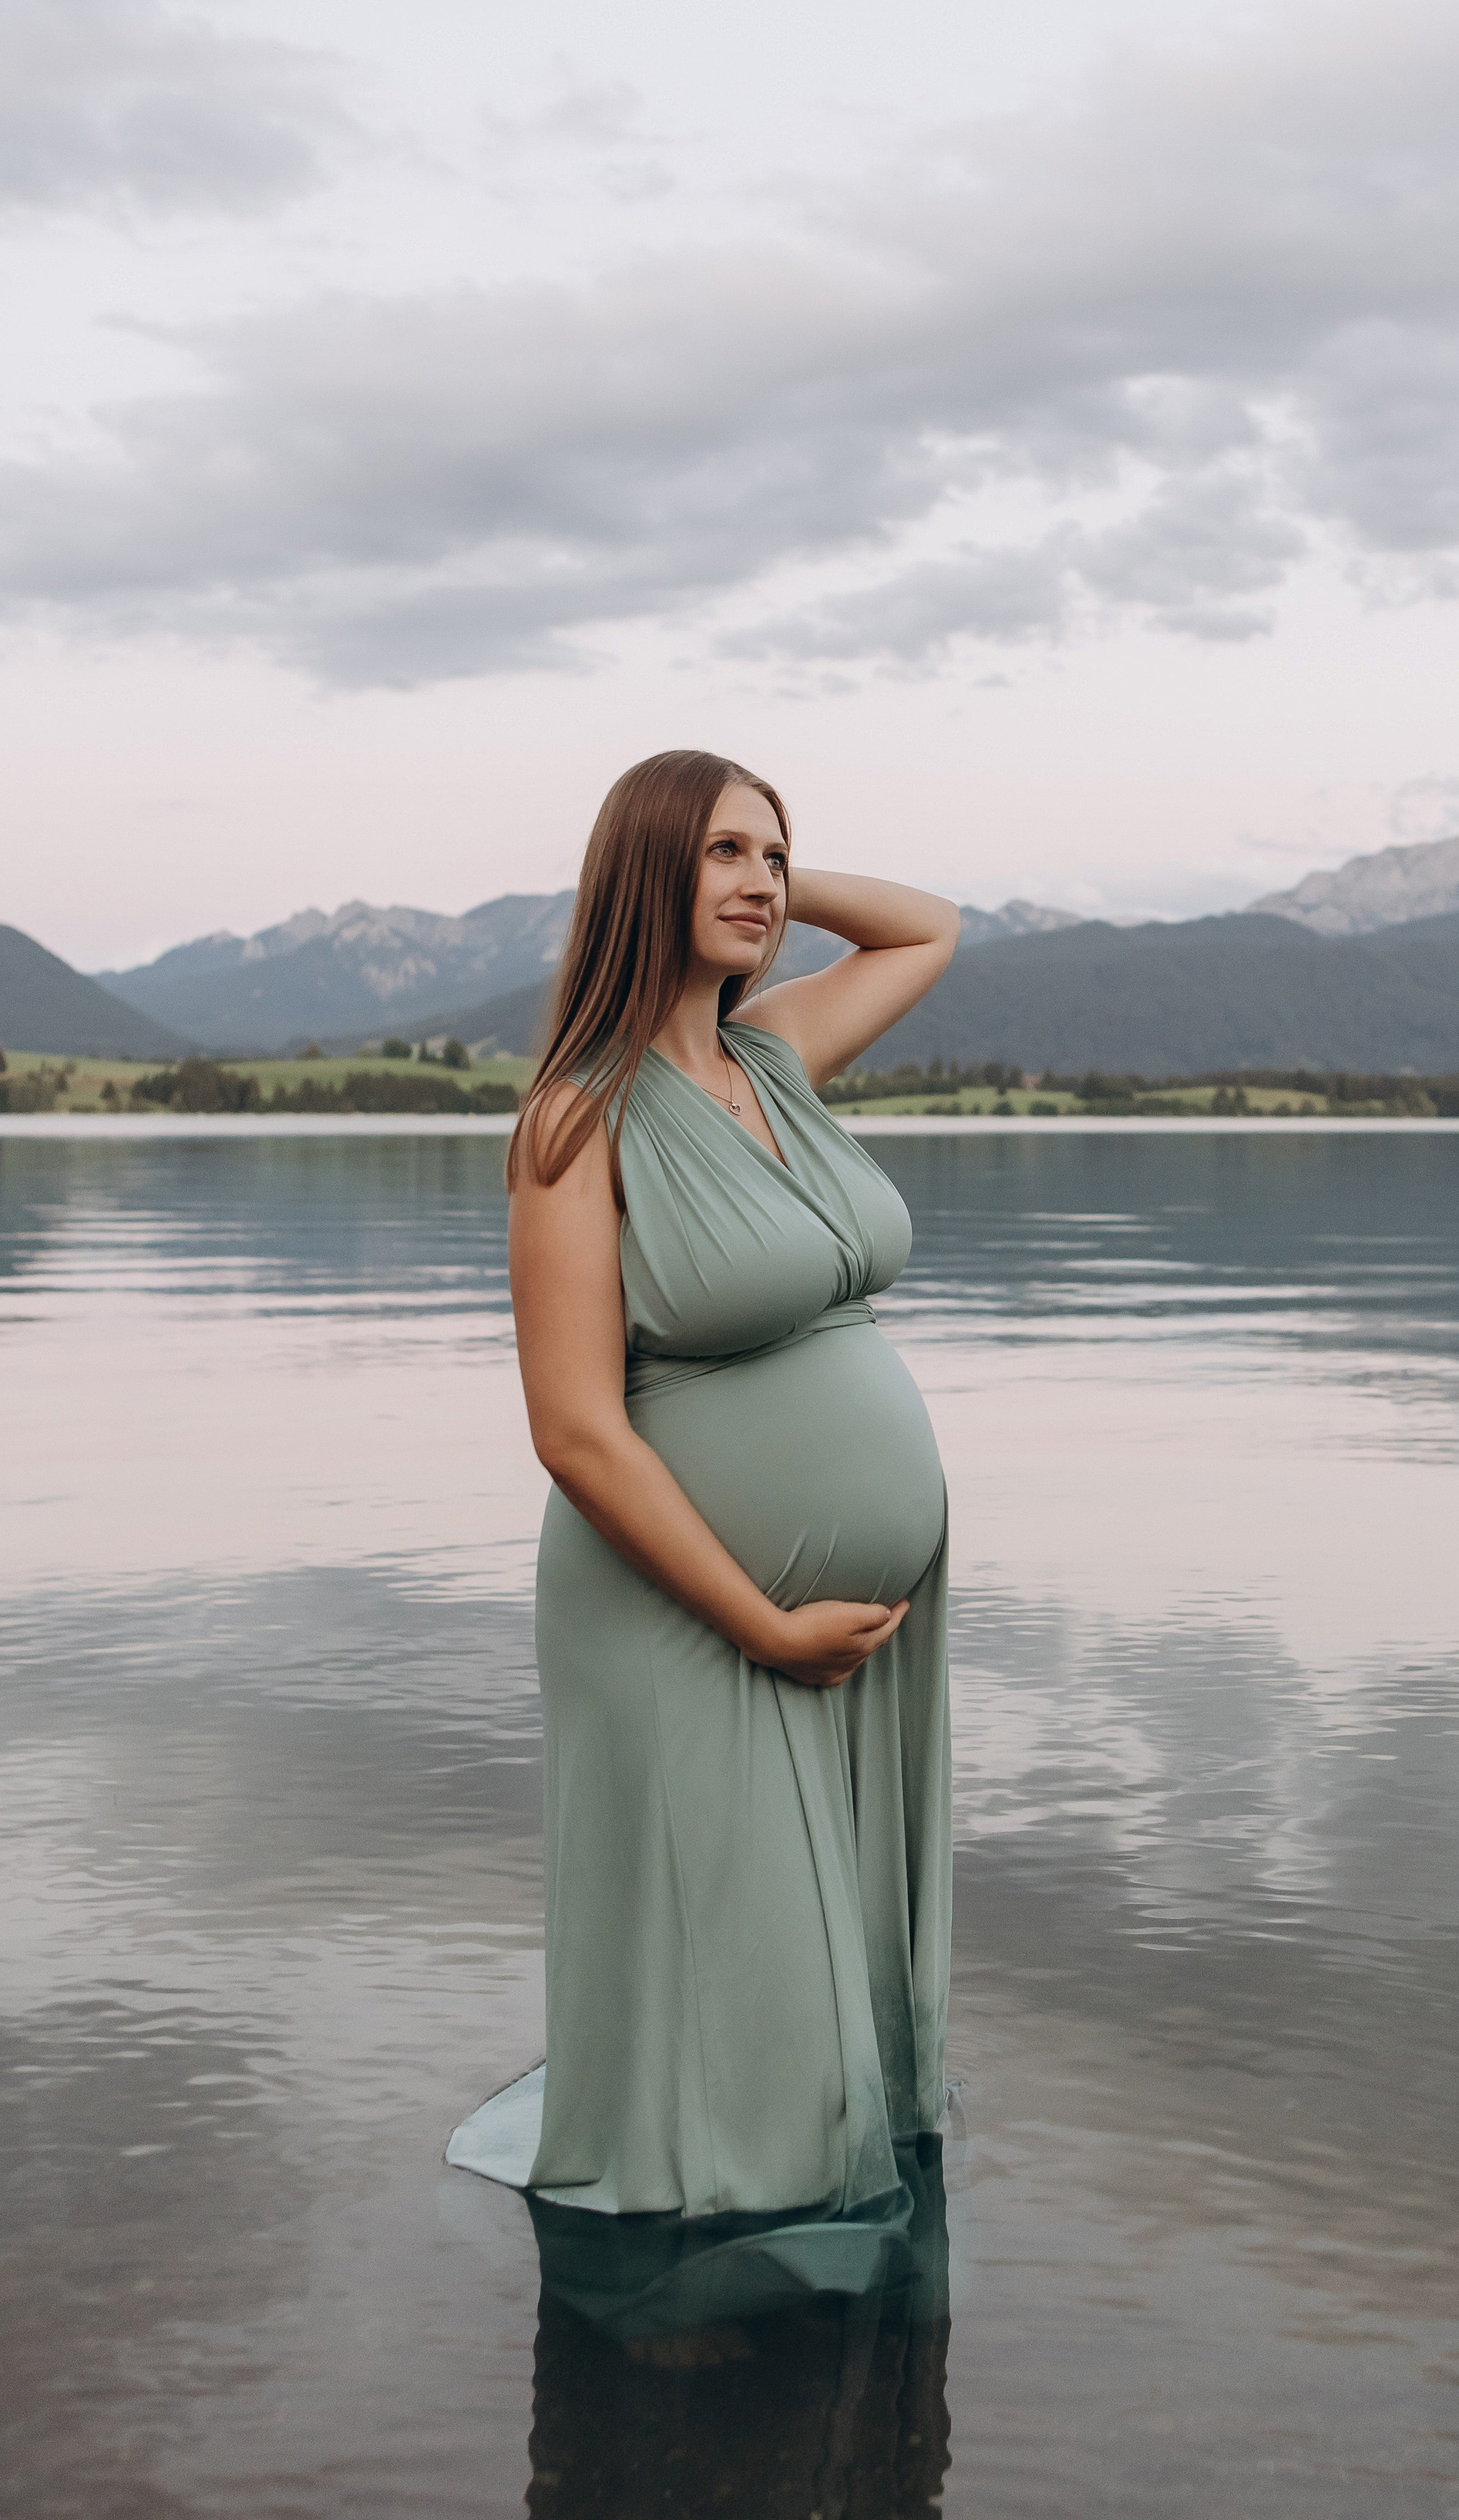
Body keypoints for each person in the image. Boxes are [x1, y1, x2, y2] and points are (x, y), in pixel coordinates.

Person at [447, 748, 960, 2236]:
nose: (760, 882)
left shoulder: (779, 1055)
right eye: (723, 852)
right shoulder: (574, 1120)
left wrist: (784, 886)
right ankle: (696, 2362)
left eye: (776, 857)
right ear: (645, 873)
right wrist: (760, 1621)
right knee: (733, 2001)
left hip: (836, 1627)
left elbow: (929, 926)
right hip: (688, 1615)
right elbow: (576, 1432)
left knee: (818, 2006)